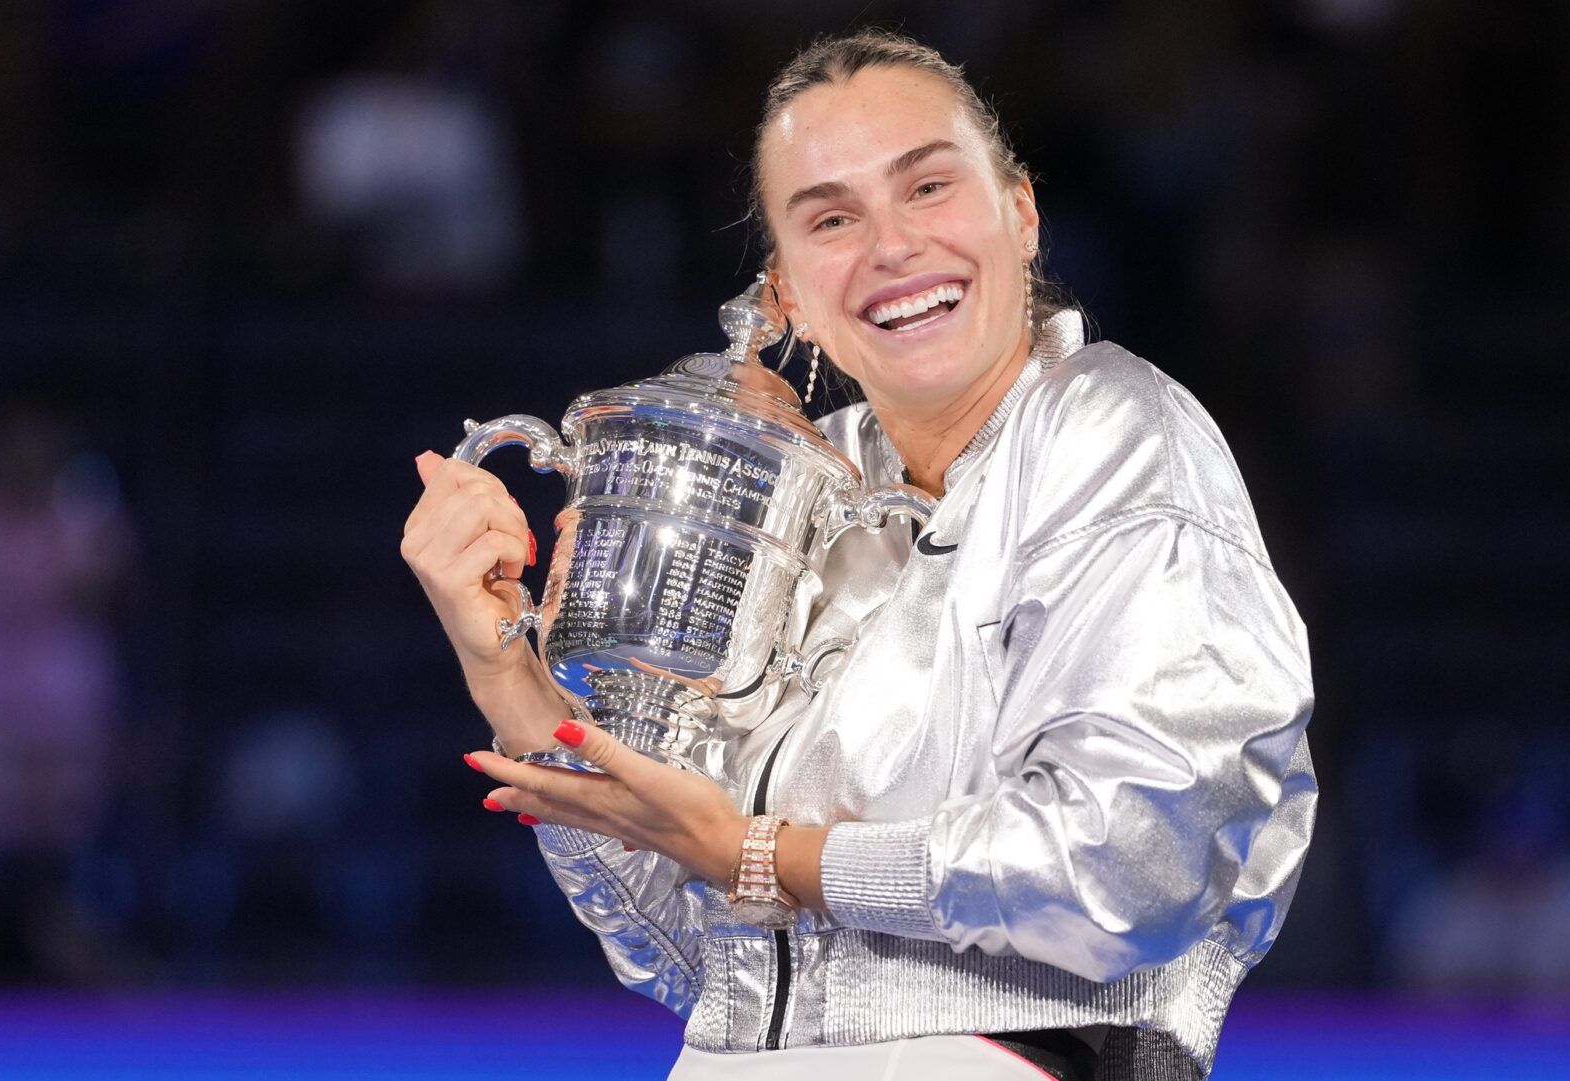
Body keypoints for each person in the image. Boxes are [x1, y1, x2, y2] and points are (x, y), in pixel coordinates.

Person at [402, 31, 1316, 1081]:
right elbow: (687, 954)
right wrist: (506, 671)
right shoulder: (801, 489)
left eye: (928, 186)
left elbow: (1133, 861)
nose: (890, 245)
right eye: (831, 218)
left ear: (1020, 215)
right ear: (786, 294)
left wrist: (771, 855)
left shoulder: (1114, 430)